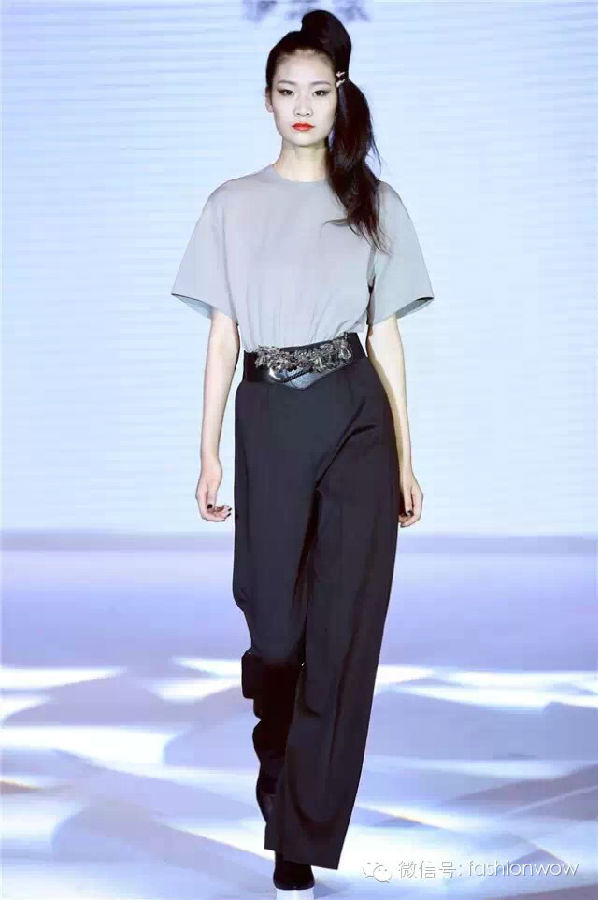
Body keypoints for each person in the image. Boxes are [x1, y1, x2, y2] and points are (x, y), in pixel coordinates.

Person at [170, 9, 435, 898]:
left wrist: (405, 456)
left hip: (356, 413)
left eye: (319, 91)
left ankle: (300, 833)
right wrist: (207, 452)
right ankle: (280, 772)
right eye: (288, 91)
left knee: (343, 630)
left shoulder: (373, 203)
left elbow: (386, 335)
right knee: (277, 635)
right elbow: (221, 334)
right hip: (270, 415)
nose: (303, 106)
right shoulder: (231, 204)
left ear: (339, 96)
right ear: (267, 100)